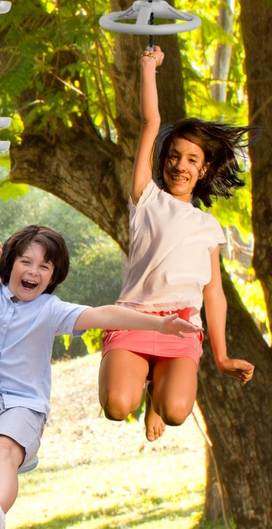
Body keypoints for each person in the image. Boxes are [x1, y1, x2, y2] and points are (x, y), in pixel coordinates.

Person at [0, 225, 200, 529]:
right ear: (9, 263)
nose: (33, 271)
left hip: (23, 406)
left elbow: (103, 314)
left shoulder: (50, 310)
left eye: (44, 266)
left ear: (53, 276)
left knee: (2, 450)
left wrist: (158, 324)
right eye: (26, 262)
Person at [99, 45, 254, 438]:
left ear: (203, 169)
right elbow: (151, 121)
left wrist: (222, 356)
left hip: (181, 325)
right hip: (133, 317)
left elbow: (214, 294)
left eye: (191, 160)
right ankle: (143, 382)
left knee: (175, 412)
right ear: (163, 159)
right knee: (117, 407)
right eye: (174, 156)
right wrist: (147, 66)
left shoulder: (208, 227)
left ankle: (158, 396)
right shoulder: (146, 198)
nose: (180, 165)